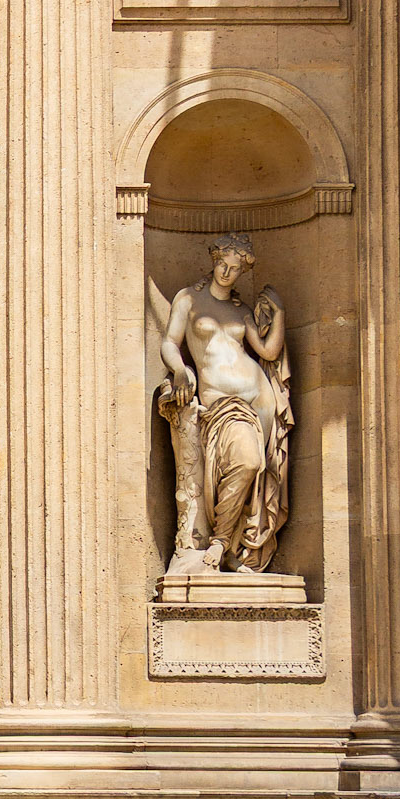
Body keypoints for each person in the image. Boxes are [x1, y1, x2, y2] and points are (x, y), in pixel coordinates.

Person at [159, 231, 293, 572]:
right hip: (219, 400)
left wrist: (278, 313)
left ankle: (230, 544)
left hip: (257, 399)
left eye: (235, 269)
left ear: (242, 272)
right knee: (247, 462)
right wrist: (180, 370)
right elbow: (170, 342)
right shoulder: (189, 298)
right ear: (214, 260)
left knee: (257, 470)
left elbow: (268, 352)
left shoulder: (241, 310)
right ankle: (221, 541)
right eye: (222, 264)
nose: (226, 272)